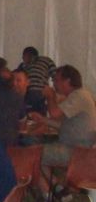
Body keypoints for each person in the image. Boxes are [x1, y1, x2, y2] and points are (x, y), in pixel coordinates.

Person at [29, 65, 96, 193]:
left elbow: (54, 113)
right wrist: (43, 120)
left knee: (33, 154)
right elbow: (64, 125)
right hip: (76, 147)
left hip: (76, 150)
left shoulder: (79, 96)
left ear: (67, 81)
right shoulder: (79, 95)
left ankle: (52, 193)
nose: (54, 83)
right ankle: (59, 189)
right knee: (37, 150)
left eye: (56, 80)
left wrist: (50, 96)